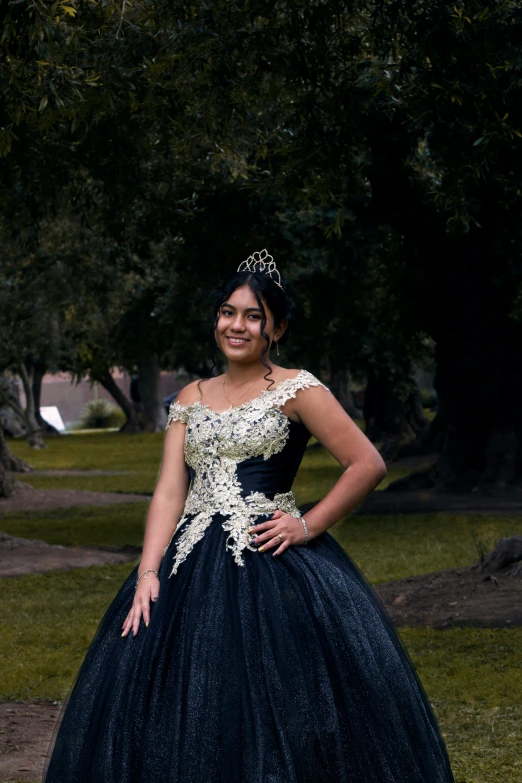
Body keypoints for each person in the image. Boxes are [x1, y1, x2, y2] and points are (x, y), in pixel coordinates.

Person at [43, 250, 455, 782]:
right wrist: (148, 572)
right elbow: (170, 490)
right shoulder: (190, 396)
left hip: (268, 559)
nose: (237, 325)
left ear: (276, 329)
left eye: (253, 316)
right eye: (228, 312)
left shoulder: (298, 388)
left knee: (274, 698)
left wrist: (309, 523)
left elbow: (366, 463)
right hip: (186, 563)